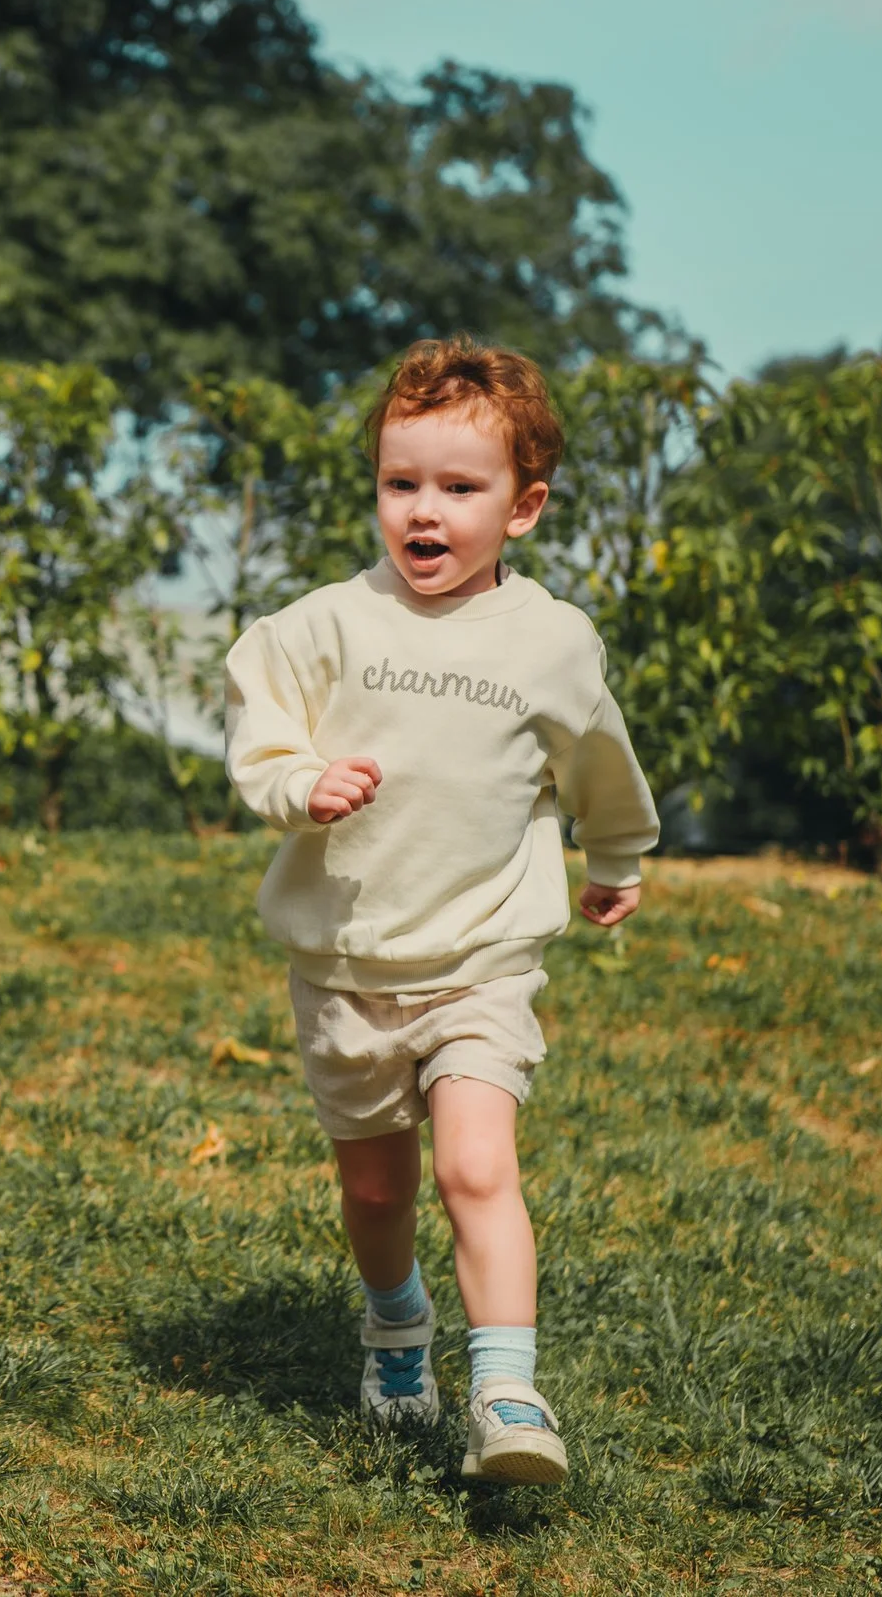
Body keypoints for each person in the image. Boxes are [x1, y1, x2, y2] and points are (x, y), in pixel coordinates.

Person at [222, 337, 658, 1485]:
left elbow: (600, 762)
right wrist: (295, 785)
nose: (424, 511)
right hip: (347, 960)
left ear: (523, 507)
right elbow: (257, 726)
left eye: (459, 489)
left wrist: (615, 854)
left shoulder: (553, 642)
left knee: (475, 1164)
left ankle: (507, 1388)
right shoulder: (322, 624)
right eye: (398, 482)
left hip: (483, 959)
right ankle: (395, 1327)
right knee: (376, 1186)